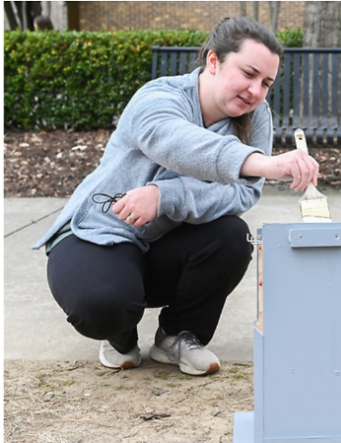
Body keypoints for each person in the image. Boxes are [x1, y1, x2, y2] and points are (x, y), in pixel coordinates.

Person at [32, 17, 320, 376]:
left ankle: (177, 336)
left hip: (170, 241)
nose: (255, 91)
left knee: (233, 236)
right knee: (102, 306)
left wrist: (164, 195)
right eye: (248, 73)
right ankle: (120, 335)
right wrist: (261, 162)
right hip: (101, 231)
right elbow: (177, 143)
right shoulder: (158, 97)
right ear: (213, 62)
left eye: (266, 83)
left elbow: (242, 194)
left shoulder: (256, 115)